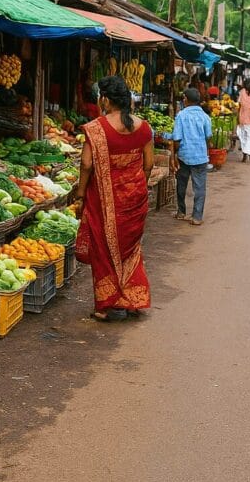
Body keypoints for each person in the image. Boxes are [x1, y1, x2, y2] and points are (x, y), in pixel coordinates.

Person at [74, 76, 154, 322]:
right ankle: (132, 301)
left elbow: (86, 164)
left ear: (105, 99)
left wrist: (80, 195)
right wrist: (135, 185)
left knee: (103, 250)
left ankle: (104, 305)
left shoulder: (97, 129)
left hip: (104, 202)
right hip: (134, 199)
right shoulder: (143, 127)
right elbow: (148, 164)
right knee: (129, 251)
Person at [164, 88, 213, 226]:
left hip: (184, 156)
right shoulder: (205, 117)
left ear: (186, 99)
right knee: (200, 188)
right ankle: (197, 217)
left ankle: (181, 212)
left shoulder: (181, 116)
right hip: (201, 157)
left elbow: (177, 138)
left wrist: (175, 154)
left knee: (181, 184)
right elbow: (208, 137)